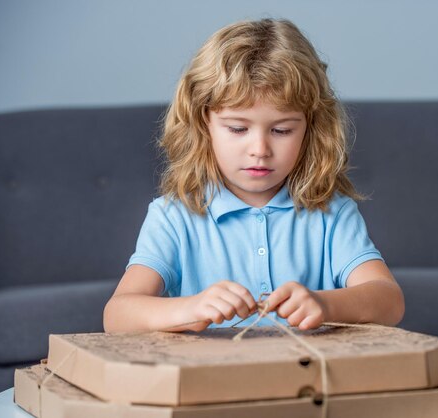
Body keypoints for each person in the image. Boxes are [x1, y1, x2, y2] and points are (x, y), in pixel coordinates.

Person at [103, 18, 404, 333]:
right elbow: (117, 316)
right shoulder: (173, 217)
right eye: (237, 128)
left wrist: (325, 304)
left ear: (310, 129)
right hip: (211, 380)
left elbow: (390, 301)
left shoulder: (332, 214)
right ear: (203, 123)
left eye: (281, 129)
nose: (260, 149)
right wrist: (190, 308)